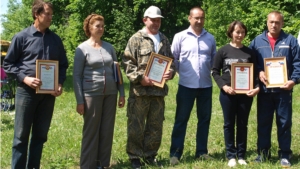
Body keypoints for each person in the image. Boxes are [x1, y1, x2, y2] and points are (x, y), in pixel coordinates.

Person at [2, 0, 69, 168]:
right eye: (47, 13)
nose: (50, 17)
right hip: (26, 92)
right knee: (20, 137)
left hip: (48, 95)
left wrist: (59, 83)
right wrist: (25, 78)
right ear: (36, 14)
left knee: (40, 136)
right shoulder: (21, 37)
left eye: (51, 14)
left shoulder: (55, 40)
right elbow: (8, 64)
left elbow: (63, 64)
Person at [122, 5, 175, 169]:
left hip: (158, 92)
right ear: (145, 20)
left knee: (155, 126)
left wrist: (171, 73)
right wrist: (139, 78)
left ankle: (150, 155)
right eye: (153, 20)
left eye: (158, 20)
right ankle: (135, 157)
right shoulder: (136, 39)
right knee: (136, 126)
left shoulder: (164, 39)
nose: (156, 23)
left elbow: (171, 62)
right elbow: (127, 63)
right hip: (140, 92)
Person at [73, 14, 125, 169]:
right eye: (98, 26)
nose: (101, 29)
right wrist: (80, 100)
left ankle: (102, 165)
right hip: (91, 94)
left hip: (110, 94)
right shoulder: (82, 49)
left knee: (107, 130)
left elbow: (117, 71)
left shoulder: (109, 47)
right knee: (91, 132)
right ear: (90, 27)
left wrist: (121, 93)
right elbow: (76, 76)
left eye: (103, 26)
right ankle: (87, 165)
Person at [249, 11, 300, 168]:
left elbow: (298, 63)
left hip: (284, 91)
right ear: (267, 22)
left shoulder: (290, 41)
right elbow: (251, 62)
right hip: (264, 91)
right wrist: (259, 72)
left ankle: (285, 154)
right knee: (263, 122)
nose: (274, 25)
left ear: (282, 24)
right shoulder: (257, 41)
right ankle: (263, 153)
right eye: (271, 22)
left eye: (277, 22)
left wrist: (293, 80)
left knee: (284, 123)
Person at [169, 7, 216, 166]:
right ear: (189, 18)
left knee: (204, 120)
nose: (199, 21)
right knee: (181, 120)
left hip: (205, 86)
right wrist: (172, 72)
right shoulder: (180, 37)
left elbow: (214, 60)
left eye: (202, 18)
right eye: (196, 18)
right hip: (186, 86)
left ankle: (201, 152)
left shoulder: (210, 38)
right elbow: (173, 58)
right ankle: (175, 154)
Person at [212, 21, 260, 167]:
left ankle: (241, 155)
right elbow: (214, 71)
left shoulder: (250, 52)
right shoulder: (223, 51)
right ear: (231, 32)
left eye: (242, 32)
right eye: (237, 31)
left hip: (245, 94)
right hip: (228, 94)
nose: (240, 35)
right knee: (229, 124)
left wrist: (257, 87)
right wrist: (224, 87)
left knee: (242, 124)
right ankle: (231, 155)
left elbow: (256, 74)